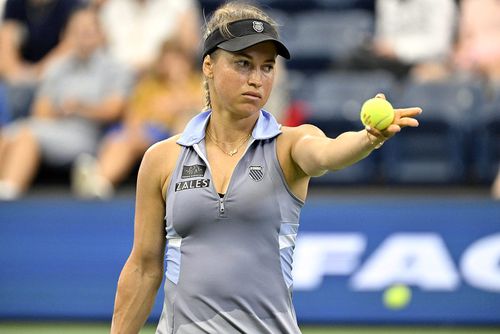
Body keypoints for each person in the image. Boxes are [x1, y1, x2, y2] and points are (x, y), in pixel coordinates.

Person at [110, 2, 421, 333]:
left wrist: (368, 139)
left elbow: (329, 152)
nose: (256, 79)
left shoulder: (290, 145)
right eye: (243, 64)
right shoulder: (162, 158)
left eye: (267, 67)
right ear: (209, 65)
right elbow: (144, 268)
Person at [0, 7, 131, 200]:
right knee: (8, 135)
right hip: (51, 128)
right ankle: (6, 186)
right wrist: (63, 110)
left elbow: (115, 109)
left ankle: (8, 191)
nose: (83, 35)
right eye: (77, 31)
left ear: (101, 33)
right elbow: (40, 111)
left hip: (87, 136)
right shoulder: (56, 67)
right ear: (66, 35)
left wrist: (79, 107)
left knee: (26, 136)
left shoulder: (116, 68)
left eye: (88, 30)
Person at [72, 39, 203, 199]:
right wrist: (134, 129)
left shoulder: (197, 83)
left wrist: (178, 90)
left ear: (187, 62)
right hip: (144, 130)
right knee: (119, 139)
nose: (171, 64)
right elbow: (133, 112)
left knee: (129, 142)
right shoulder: (149, 85)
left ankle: (97, 177)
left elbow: (202, 109)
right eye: (167, 59)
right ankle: (99, 180)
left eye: (176, 59)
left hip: (169, 133)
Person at [0, 0, 84, 120]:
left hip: (57, 76)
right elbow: (6, 39)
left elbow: (71, 44)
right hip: (21, 76)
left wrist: (35, 73)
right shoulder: (15, 3)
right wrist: (15, 73)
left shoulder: (72, 4)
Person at [98, 0, 201, 75]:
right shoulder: (110, 7)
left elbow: (189, 48)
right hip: (118, 80)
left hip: (164, 78)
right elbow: (99, 54)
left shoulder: (180, 5)